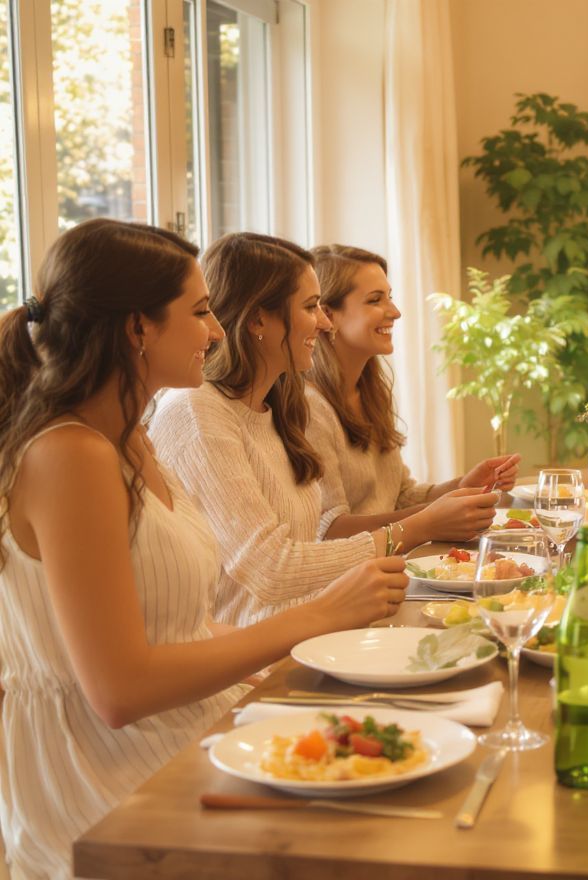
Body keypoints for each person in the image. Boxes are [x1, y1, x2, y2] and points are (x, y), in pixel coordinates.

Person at [0, 220, 406, 879]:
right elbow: (119, 691)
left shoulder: (133, 438)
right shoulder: (67, 455)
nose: (217, 330)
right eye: (199, 311)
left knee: (391, 777)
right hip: (106, 771)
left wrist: (279, 673)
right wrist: (320, 618)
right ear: (138, 328)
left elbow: (178, 621)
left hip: (182, 728)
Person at [149, 233, 455, 627]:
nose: (325, 323)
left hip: (318, 628)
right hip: (258, 652)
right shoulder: (197, 412)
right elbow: (270, 568)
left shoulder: (279, 404)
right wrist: (414, 529)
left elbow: (305, 548)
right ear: (259, 318)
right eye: (312, 307)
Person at [305, 244, 519, 541]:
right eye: (375, 300)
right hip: (357, 578)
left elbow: (402, 495)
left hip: (391, 564)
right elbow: (329, 531)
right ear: (328, 314)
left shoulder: (370, 393)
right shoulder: (311, 408)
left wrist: (462, 486)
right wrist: (432, 519)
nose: (395, 311)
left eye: (389, 297)